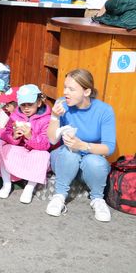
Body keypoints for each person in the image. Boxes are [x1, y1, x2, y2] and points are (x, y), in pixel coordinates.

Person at [46, 69, 116, 222]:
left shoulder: (104, 110)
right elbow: (51, 140)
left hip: (87, 166)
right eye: (65, 87)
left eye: (71, 89)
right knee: (69, 153)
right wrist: (55, 116)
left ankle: (98, 199)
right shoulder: (61, 104)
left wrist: (83, 145)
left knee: (95, 161)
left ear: (87, 91)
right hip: (65, 160)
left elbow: (109, 147)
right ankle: (59, 196)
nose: (65, 92)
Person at [0, 84, 51, 204]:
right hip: (18, 150)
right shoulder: (14, 116)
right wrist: (14, 136)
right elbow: (5, 133)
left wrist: (30, 136)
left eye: (30, 104)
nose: (26, 108)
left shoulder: (47, 119)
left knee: (43, 155)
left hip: (35, 152)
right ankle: (6, 183)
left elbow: (46, 144)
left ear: (39, 103)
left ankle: (29, 187)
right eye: (23, 105)